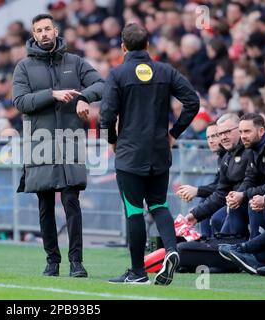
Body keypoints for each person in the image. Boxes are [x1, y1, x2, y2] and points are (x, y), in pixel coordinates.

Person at [100, 23, 200, 285]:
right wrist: (173, 134)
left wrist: (112, 141)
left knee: (134, 210)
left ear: (123, 46)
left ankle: (137, 273)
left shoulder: (118, 74)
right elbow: (193, 101)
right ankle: (171, 251)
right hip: (158, 151)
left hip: (130, 153)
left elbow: (107, 115)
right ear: (148, 45)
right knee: (159, 205)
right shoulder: (165, 71)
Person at [12, 13, 104, 278]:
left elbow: (101, 84)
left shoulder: (74, 62)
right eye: (38, 30)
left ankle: (77, 262)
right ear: (33, 35)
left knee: (71, 202)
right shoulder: (23, 67)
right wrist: (51, 95)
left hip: (71, 141)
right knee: (45, 206)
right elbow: (20, 102)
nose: (43, 33)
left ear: (56, 30)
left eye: (47, 29)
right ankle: (52, 261)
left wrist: (85, 97)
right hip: (39, 143)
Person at [186, 114, 251, 236]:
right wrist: (195, 214)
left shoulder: (250, 151)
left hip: (249, 200)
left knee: (220, 218)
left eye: (227, 132)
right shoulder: (227, 157)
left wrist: (198, 190)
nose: (223, 137)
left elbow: (251, 180)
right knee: (212, 213)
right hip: (234, 202)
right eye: (220, 134)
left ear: (239, 129)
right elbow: (221, 191)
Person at [176, 122, 226, 238]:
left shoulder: (228, 156)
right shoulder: (221, 157)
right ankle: (206, 240)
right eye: (208, 137)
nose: (211, 141)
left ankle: (212, 243)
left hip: (235, 200)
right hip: (225, 198)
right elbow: (218, 185)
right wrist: (197, 191)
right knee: (204, 200)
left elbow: (223, 188)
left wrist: (197, 191)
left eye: (215, 136)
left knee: (215, 215)